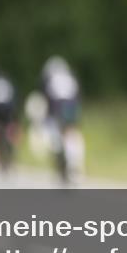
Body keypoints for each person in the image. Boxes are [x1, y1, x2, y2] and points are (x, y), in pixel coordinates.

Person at [41, 56, 85, 184]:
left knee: (56, 134)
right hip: (72, 106)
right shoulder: (71, 77)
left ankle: (63, 162)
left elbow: (47, 98)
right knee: (72, 133)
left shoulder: (50, 79)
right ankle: (74, 162)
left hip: (57, 107)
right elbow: (78, 95)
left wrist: (48, 116)